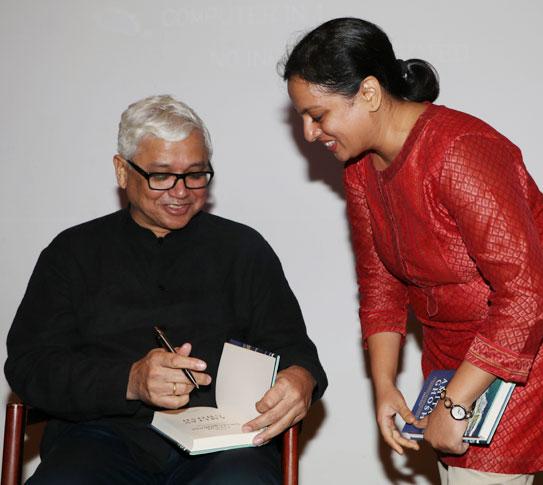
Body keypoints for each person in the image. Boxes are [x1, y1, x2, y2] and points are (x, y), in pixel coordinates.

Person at [282, 17, 543, 484]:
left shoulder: (459, 151)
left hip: (534, 327)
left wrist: (458, 401)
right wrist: (384, 388)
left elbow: (527, 295)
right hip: (456, 338)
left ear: (368, 92)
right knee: (455, 471)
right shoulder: (361, 170)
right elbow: (381, 284)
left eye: (317, 114)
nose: (307, 133)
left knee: (480, 476)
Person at [5, 94, 327, 484]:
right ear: (122, 171)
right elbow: (30, 366)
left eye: (195, 174)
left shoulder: (243, 250)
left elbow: (297, 351)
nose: (181, 191)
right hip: (98, 437)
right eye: (161, 175)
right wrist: (130, 381)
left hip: (221, 444)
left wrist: (301, 378)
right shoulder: (72, 253)